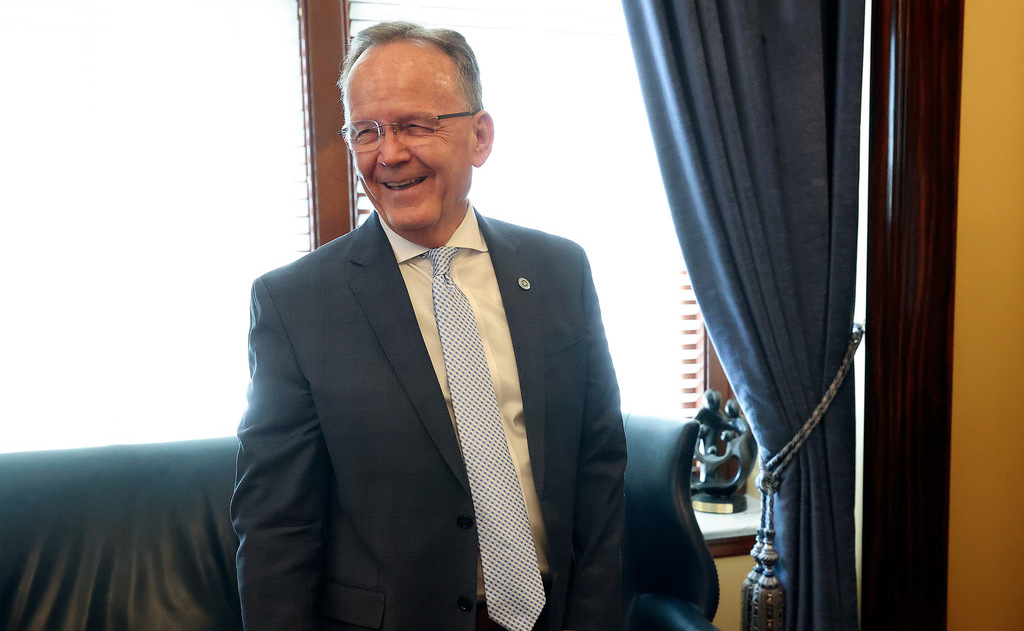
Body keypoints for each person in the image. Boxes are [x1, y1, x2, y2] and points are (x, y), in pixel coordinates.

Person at [230, 20, 626, 631]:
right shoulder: (296, 303)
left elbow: (599, 466)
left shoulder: (558, 270)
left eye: (415, 125)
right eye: (366, 131)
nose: (389, 154)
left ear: (480, 135)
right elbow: (277, 526)